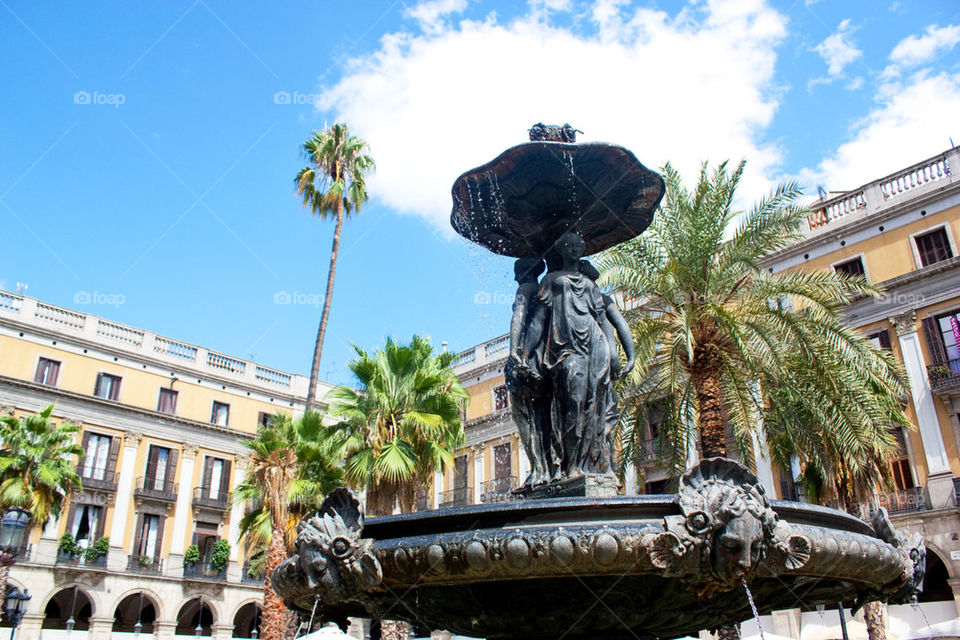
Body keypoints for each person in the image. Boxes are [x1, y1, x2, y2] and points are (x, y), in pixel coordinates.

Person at [520, 232, 622, 476]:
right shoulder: (552, 280)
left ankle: (595, 463)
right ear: (562, 249)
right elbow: (538, 321)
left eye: (579, 245)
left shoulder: (590, 284)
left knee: (595, 404)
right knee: (573, 403)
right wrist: (525, 353)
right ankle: (572, 464)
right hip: (565, 346)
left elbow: (602, 319)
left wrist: (613, 351)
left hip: (595, 343)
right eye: (570, 245)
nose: (575, 249)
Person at [505, 255, 552, 485]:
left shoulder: (525, 288)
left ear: (525, 271)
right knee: (543, 415)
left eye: (517, 270)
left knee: (522, 413)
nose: (514, 276)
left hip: (526, 357)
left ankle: (539, 468)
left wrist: (515, 351)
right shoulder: (546, 288)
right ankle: (548, 466)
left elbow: (519, 318)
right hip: (542, 355)